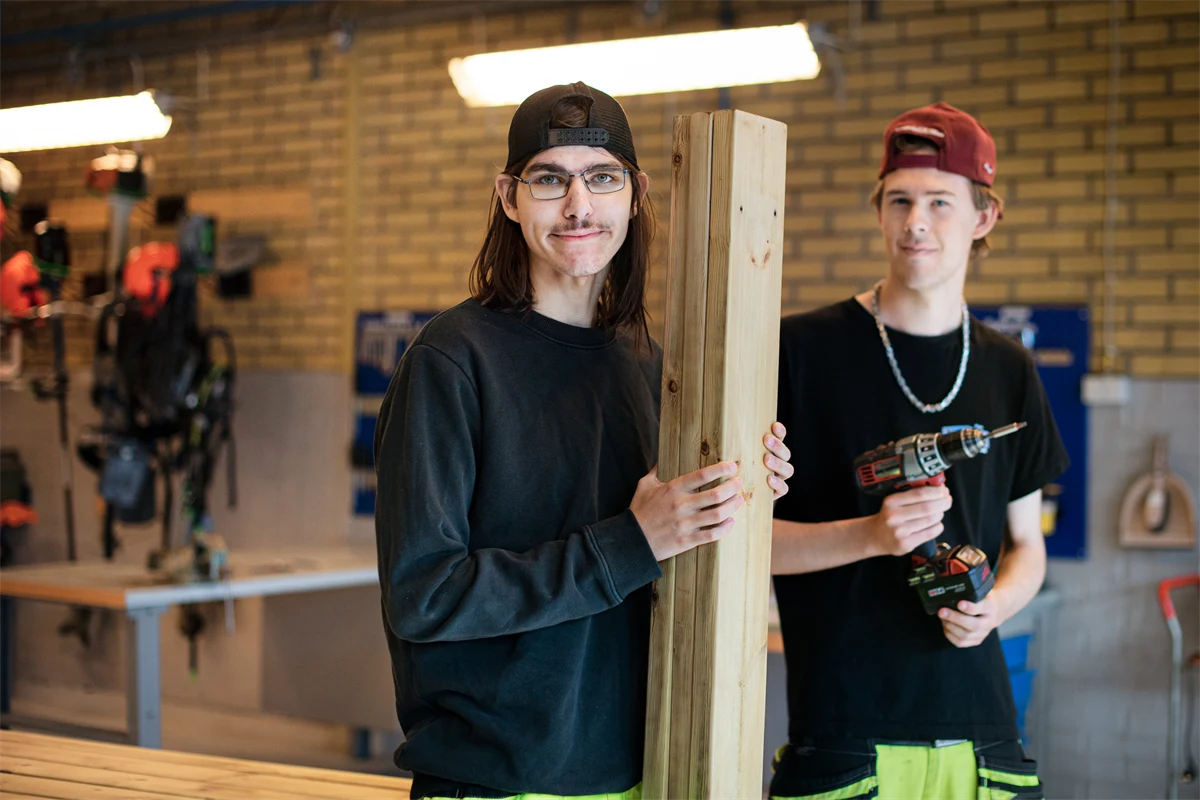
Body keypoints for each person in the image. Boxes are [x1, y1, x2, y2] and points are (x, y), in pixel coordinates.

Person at [374, 81, 793, 799]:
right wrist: (633, 540)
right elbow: (425, 595)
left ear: (635, 194)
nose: (579, 205)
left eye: (602, 178)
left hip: (636, 770)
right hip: (497, 779)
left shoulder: (645, 364)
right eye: (550, 179)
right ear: (508, 197)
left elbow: (668, 546)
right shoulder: (452, 360)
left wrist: (737, 488)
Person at [768, 102, 1069, 800]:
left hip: (983, 738)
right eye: (899, 200)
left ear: (983, 217)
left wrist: (994, 609)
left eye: (939, 201)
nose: (916, 222)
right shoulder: (801, 352)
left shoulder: (1008, 369)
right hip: (844, 737)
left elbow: (1028, 546)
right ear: (878, 211)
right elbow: (745, 543)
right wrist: (869, 535)